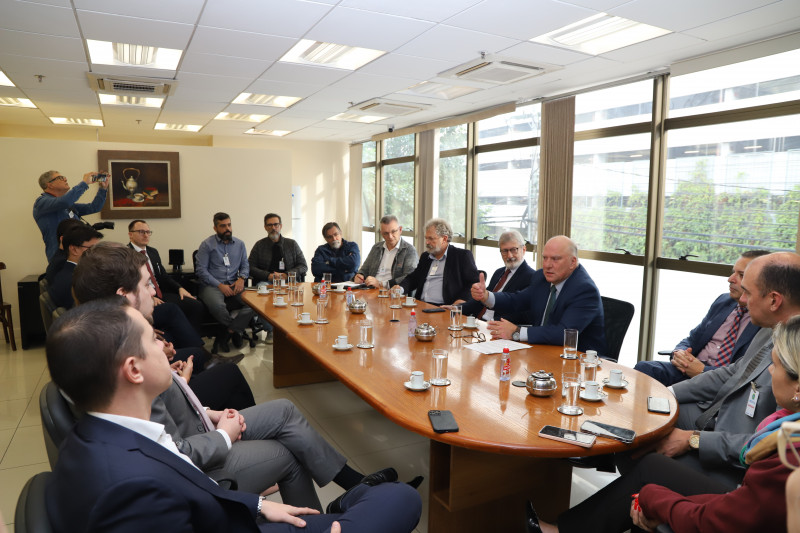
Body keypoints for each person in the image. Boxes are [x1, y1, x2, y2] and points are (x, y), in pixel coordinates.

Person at [44, 298, 423, 533]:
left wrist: (258, 505)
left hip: (239, 515)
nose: (164, 344)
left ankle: (340, 505)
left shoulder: (101, 435)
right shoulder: (131, 493)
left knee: (390, 498)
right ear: (134, 370)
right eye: (152, 340)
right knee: (401, 499)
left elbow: (188, 486)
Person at [526, 314, 800, 533]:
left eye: (774, 367)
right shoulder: (784, 419)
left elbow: (726, 514)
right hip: (729, 454)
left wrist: (653, 497)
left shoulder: (787, 455)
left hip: (732, 473)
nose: (770, 372)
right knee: (642, 435)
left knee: (649, 469)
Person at [630, 252, 800, 489]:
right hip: (718, 420)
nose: (743, 300)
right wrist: (668, 393)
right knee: (642, 415)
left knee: (645, 460)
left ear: (774, 300)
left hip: (735, 462)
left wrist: (694, 440)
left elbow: (767, 445)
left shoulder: (793, 356)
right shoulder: (771, 329)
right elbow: (732, 373)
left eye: (748, 293)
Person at [73, 243, 248, 406]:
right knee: (231, 373)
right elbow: (159, 408)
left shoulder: (98, 331)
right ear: (123, 295)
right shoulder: (126, 350)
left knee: (198, 356)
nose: (153, 291)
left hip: (164, 394)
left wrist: (169, 370)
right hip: (171, 407)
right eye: (147, 284)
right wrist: (182, 381)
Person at [635, 250, 768, 386]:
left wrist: (702, 371)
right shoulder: (723, 301)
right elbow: (692, 339)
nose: (730, 279)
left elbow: (744, 371)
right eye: (733, 272)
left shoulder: (764, 319)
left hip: (719, 381)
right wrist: (680, 354)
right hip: (688, 369)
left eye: (740, 275)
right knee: (644, 368)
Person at [471, 235, 606, 354]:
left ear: (572, 262)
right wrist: (486, 296)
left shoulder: (585, 290)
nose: (547, 265)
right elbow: (517, 300)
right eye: (545, 258)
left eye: (555, 259)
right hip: (541, 349)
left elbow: (564, 334)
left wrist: (517, 332)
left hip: (577, 360)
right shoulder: (541, 277)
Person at [128, 219, 205, 336]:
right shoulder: (126, 254)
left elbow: (163, 276)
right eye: (141, 232)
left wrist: (180, 288)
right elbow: (129, 283)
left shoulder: (153, 252)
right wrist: (149, 297)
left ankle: (193, 341)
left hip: (161, 293)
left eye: (148, 232)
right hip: (144, 297)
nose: (146, 235)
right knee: (173, 309)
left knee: (196, 305)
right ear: (130, 234)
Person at [196, 212, 255, 353]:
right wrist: (219, 285)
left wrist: (242, 279)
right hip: (212, 285)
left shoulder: (240, 244)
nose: (227, 228)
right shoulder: (207, 245)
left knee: (254, 305)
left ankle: (229, 331)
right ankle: (236, 332)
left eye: (229, 225)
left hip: (235, 284)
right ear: (215, 228)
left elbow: (245, 265)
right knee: (217, 306)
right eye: (223, 226)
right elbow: (201, 270)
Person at [396, 218, 479, 305]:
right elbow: (414, 278)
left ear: (444, 239)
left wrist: (462, 300)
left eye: (431, 239)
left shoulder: (461, 256)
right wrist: (400, 288)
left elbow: (473, 282)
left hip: (445, 307)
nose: (427, 242)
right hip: (420, 305)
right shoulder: (426, 256)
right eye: (426, 238)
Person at [461, 229, 535, 323]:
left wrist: (492, 322)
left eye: (513, 250)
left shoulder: (532, 277)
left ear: (523, 250)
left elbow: (522, 313)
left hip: (496, 327)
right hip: (477, 322)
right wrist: (456, 308)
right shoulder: (499, 272)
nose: (509, 255)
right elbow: (481, 300)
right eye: (504, 251)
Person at [33, 169, 108, 261]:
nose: (65, 179)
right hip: (61, 257)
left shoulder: (67, 205)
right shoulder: (41, 202)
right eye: (60, 178)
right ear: (50, 184)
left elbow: (94, 207)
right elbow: (65, 201)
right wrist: (84, 183)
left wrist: (103, 189)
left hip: (79, 254)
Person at [354, 215, 418, 288]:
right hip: (371, 289)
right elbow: (364, 270)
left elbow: (409, 278)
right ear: (381, 233)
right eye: (386, 233)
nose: (390, 236)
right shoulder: (376, 248)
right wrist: (360, 276)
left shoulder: (409, 250)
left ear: (400, 230)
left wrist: (381, 284)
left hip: (392, 292)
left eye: (393, 231)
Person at [48, 225, 102, 309]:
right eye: (92, 248)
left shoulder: (67, 273)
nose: (98, 253)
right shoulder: (76, 281)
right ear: (74, 249)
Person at [249, 213, 308, 283]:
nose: (273, 228)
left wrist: (287, 275)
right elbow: (250, 267)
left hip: (289, 280)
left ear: (280, 226)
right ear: (265, 227)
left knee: (293, 292)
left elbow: (303, 266)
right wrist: (268, 275)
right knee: (263, 289)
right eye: (269, 225)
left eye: (276, 224)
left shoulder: (292, 244)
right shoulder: (259, 245)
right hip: (266, 281)